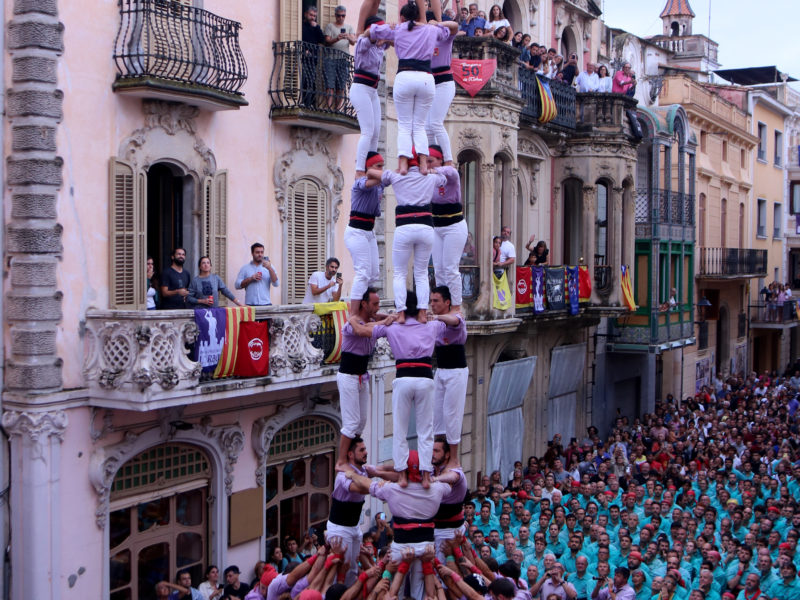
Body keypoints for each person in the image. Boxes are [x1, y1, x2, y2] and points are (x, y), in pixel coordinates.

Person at [369, 290, 448, 485]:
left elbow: (370, 322)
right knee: (425, 431)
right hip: (425, 379)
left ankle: (402, 474)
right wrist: (433, 315)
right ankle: (426, 475)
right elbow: (456, 319)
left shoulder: (393, 326)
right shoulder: (431, 324)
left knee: (400, 431)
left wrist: (389, 317)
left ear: (401, 307)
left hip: (403, 378)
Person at [368, 3, 452, 175]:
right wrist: (435, 23)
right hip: (426, 79)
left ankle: (404, 164)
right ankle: (422, 163)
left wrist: (390, 26)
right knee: (420, 125)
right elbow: (446, 32)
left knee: (405, 125)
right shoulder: (429, 30)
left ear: (403, 17)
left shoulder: (399, 29)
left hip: (405, 76)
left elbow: (373, 31)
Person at [381, 153, 447, 321]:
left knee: (400, 273)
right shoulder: (430, 178)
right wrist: (430, 170)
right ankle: (423, 312)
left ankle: (401, 312)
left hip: (404, 226)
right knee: (421, 273)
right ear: (421, 162)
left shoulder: (395, 176)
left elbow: (374, 174)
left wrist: (395, 170)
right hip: (425, 227)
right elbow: (445, 179)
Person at [335, 288, 391, 471]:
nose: (378, 307)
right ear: (364, 304)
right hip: (349, 377)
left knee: (361, 423)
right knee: (351, 423)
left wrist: (388, 317)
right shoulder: (353, 323)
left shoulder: (371, 319)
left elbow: (376, 319)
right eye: (374, 304)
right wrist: (387, 320)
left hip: (361, 377)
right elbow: (365, 331)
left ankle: (353, 456)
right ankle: (341, 461)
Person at [430, 286, 468, 466]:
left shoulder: (456, 317)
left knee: (452, 413)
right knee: (437, 413)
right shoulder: (434, 322)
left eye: (435, 301)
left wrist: (437, 317)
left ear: (447, 302)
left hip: (456, 370)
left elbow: (454, 321)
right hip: (441, 369)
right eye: (431, 301)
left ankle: (454, 458)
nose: (432, 305)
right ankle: (438, 452)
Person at [326, 436, 371, 585]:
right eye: (362, 450)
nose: (366, 452)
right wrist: (380, 488)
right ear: (350, 454)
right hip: (340, 527)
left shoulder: (363, 471)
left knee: (352, 569)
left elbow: (382, 470)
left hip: (353, 526)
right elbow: (360, 488)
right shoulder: (342, 476)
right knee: (341, 568)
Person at [429, 146, 467, 309]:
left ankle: (456, 307)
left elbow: (451, 171)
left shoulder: (451, 175)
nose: (428, 165)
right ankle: (443, 305)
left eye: (431, 161)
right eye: (426, 161)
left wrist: (433, 170)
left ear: (440, 161)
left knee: (450, 268)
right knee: (439, 270)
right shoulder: (430, 178)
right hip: (437, 228)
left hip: (454, 227)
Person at [345, 153, 384, 314]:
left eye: (382, 166)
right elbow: (368, 182)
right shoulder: (359, 182)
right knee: (363, 272)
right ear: (368, 168)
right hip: (356, 231)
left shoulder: (379, 185)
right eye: (378, 167)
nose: (382, 170)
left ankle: (366, 307)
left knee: (374, 274)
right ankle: (354, 313)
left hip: (369, 231)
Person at [351, 17, 387, 176]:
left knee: (376, 132)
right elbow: (369, 36)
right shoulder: (363, 43)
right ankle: (360, 169)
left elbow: (391, 40)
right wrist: (378, 33)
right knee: (367, 131)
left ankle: (371, 165)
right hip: (361, 89)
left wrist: (388, 33)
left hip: (372, 90)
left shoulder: (380, 46)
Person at [426, 16, 458, 166]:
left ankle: (448, 160)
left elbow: (455, 26)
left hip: (444, 83)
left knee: (436, 123)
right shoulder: (425, 39)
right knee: (427, 127)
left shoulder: (444, 37)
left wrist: (438, 23)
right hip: (431, 83)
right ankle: (432, 157)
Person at [431, 436, 469, 561]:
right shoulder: (430, 471)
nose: (432, 454)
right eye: (431, 450)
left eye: (436, 451)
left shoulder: (455, 471)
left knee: (443, 571)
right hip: (432, 529)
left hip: (449, 532)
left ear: (447, 455)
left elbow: (453, 477)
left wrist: (436, 479)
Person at [323, 5, 356, 109]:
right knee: (330, 85)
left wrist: (348, 37)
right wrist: (337, 38)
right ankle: (329, 108)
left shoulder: (349, 27)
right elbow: (327, 41)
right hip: (331, 59)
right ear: (335, 15)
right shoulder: (330, 26)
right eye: (339, 16)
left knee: (341, 86)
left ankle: (338, 109)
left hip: (343, 60)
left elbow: (353, 42)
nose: (341, 18)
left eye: (343, 16)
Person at [301, 5, 326, 108]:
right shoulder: (301, 26)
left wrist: (317, 28)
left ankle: (310, 103)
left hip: (313, 58)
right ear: (305, 14)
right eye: (311, 15)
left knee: (311, 81)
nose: (312, 18)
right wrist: (303, 50)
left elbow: (322, 40)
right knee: (303, 80)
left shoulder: (316, 28)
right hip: (302, 57)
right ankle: (303, 101)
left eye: (314, 16)